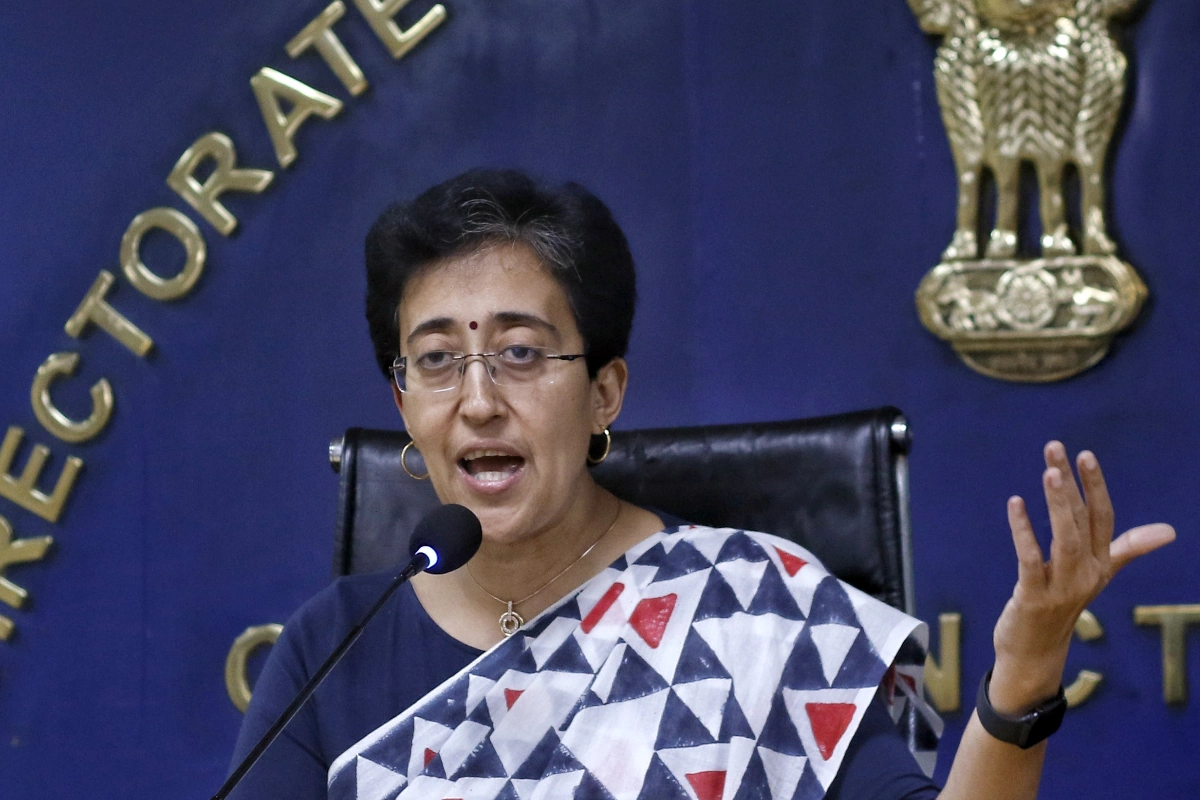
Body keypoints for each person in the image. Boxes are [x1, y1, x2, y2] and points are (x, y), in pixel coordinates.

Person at [228, 169, 1175, 800]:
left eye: (519, 352)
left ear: (605, 390)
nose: (477, 400)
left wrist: (1023, 676)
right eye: (436, 361)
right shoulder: (332, 647)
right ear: (402, 401)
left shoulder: (751, 614)